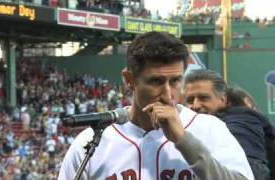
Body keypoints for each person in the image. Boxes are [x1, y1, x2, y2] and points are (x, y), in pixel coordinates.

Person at [58, 32, 253, 180]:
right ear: (129, 79)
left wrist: (184, 141)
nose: (168, 94)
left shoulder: (210, 129)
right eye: (156, 81)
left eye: (176, 80)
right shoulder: (92, 143)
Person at [183, 69, 274, 180]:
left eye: (204, 98)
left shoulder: (241, 120)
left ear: (223, 99)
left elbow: (252, 168)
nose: (195, 105)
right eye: (190, 100)